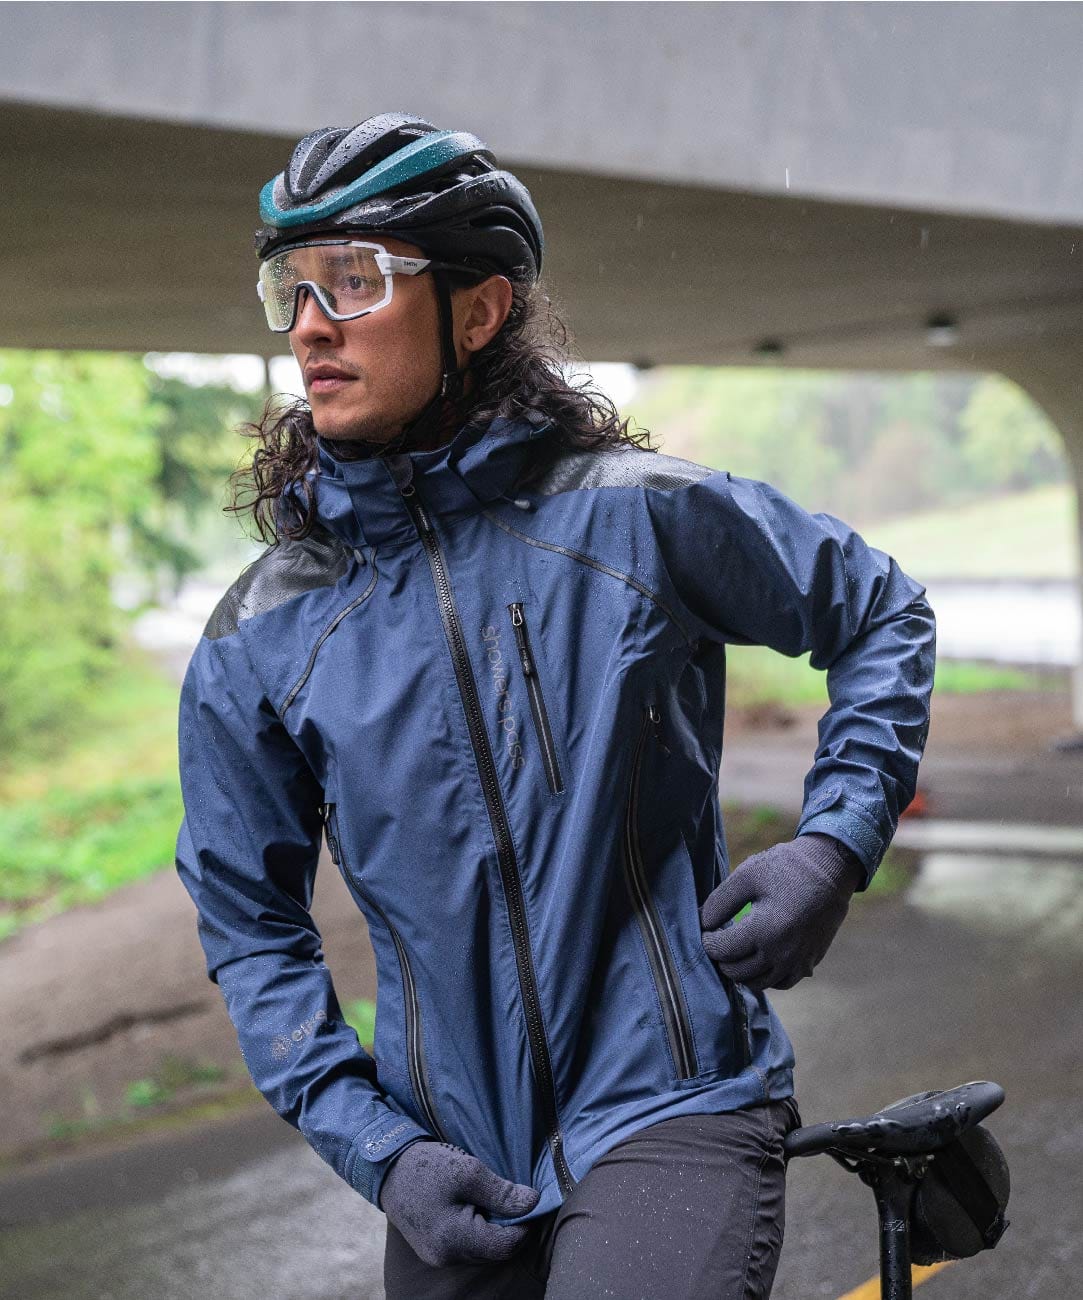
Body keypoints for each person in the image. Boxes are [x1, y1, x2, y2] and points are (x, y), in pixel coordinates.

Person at [174, 113, 936, 1299]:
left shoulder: (634, 517)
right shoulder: (259, 634)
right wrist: (382, 1152)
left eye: (357, 279)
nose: (311, 323)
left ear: (478, 312)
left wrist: (831, 848)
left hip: (674, 1103)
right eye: (295, 286)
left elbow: (879, 611)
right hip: (446, 1157)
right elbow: (250, 926)